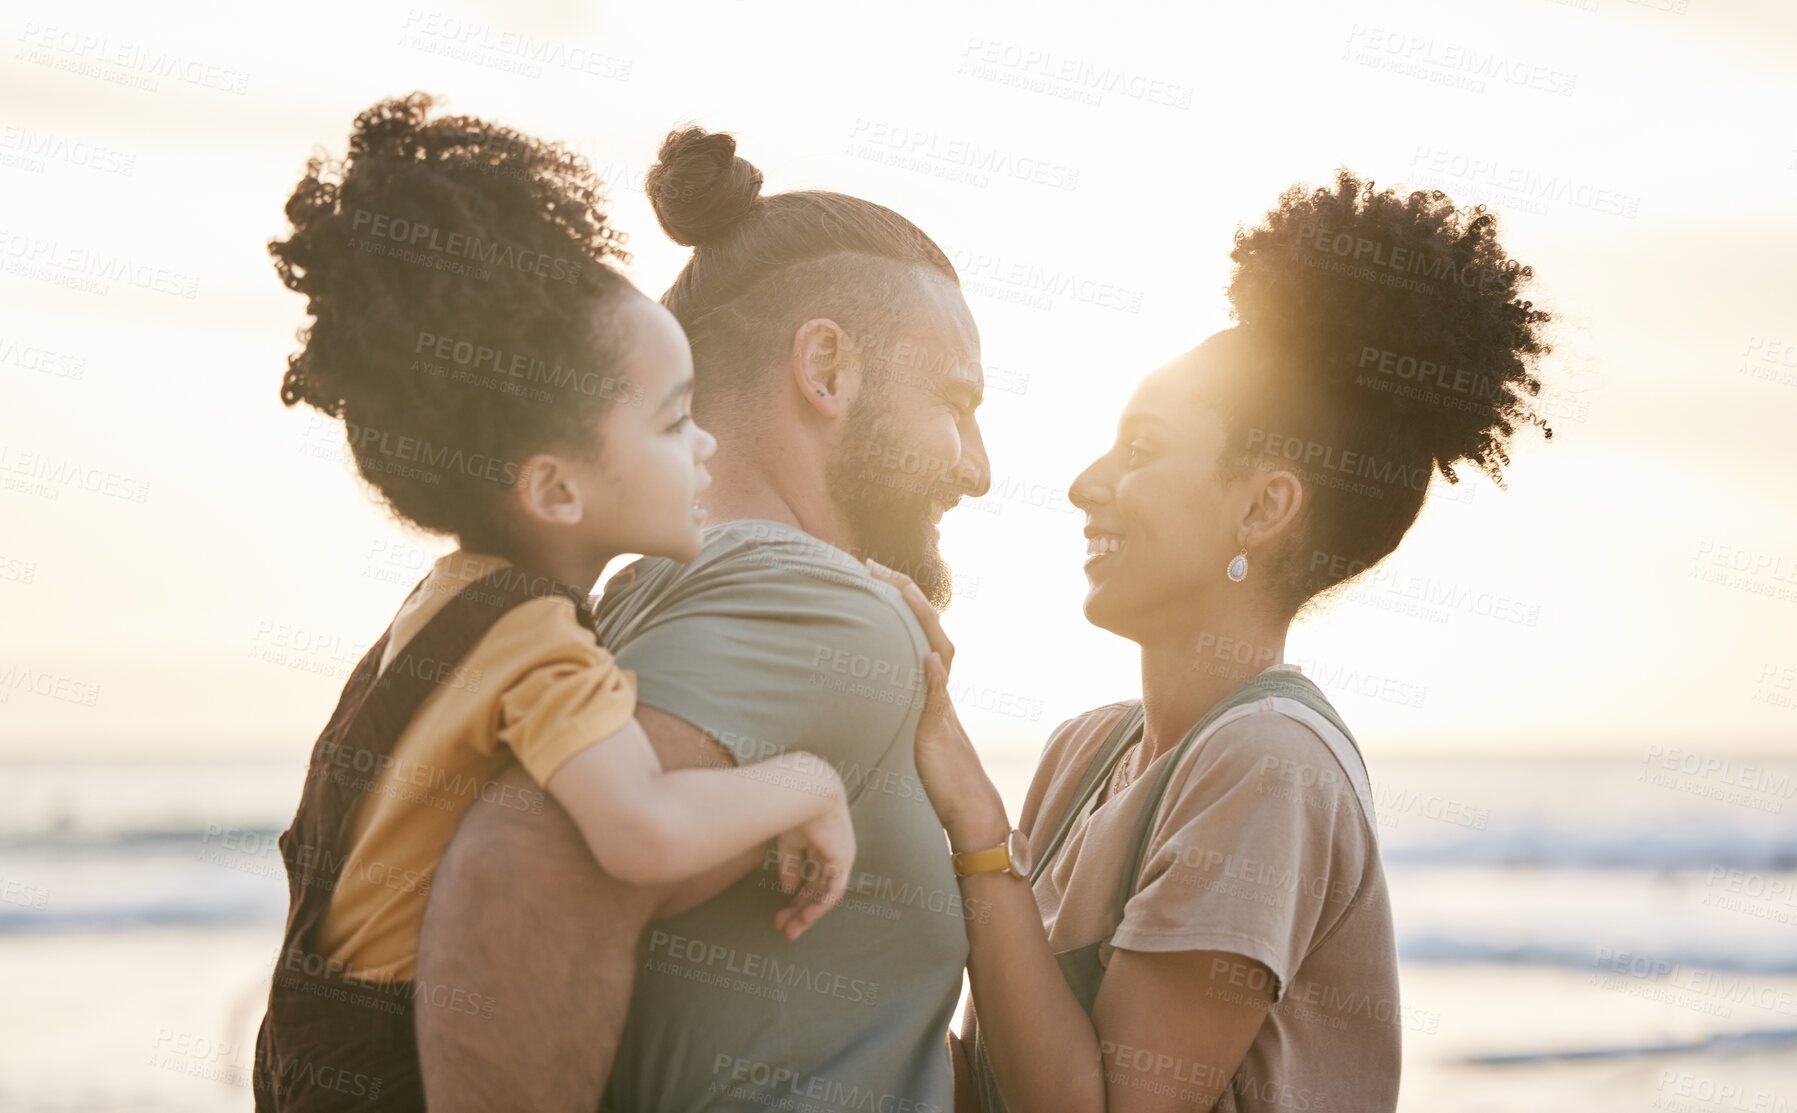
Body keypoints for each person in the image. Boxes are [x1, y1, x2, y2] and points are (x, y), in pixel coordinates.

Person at [873, 172, 1554, 1112]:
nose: (1084, 482)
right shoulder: (1086, 752)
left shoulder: (1270, 763)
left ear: (1263, 506)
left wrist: (971, 817)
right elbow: (988, 1081)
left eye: (1142, 450)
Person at [252, 96, 862, 1113]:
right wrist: (809, 782)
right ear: (557, 491)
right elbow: (643, 828)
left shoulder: (450, 604)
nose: (705, 443)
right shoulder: (539, 644)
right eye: (674, 422)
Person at [415, 125, 993, 1112]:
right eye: (953, 402)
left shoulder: (622, 601)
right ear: (828, 371)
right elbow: (520, 880)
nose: (976, 469)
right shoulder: (821, 605)